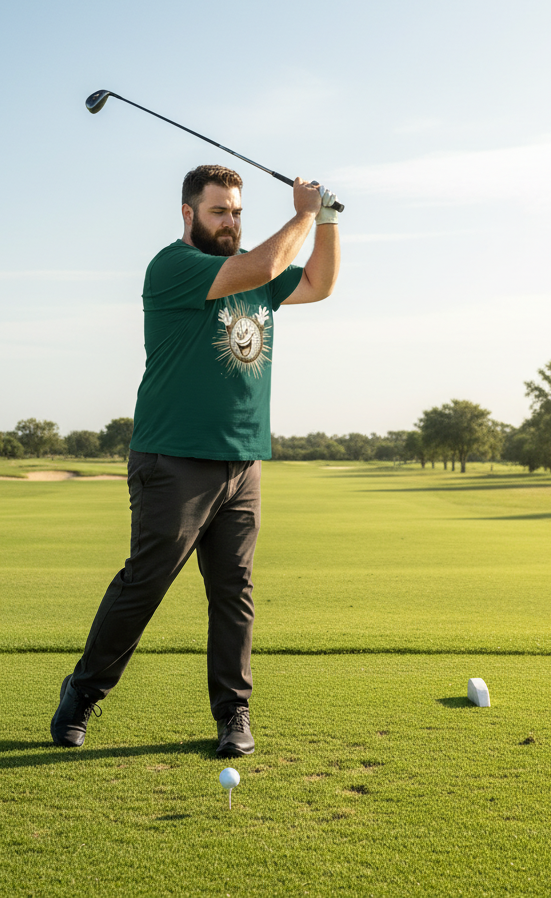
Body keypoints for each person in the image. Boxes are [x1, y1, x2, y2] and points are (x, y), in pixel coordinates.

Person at [51, 163, 341, 757]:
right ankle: (83, 691)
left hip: (243, 460)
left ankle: (233, 712)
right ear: (189, 214)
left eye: (237, 211)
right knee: (146, 583)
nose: (231, 220)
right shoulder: (175, 267)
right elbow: (261, 266)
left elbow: (318, 283)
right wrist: (304, 212)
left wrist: (329, 220)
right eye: (219, 211)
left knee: (233, 591)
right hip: (173, 459)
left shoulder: (258, 270)